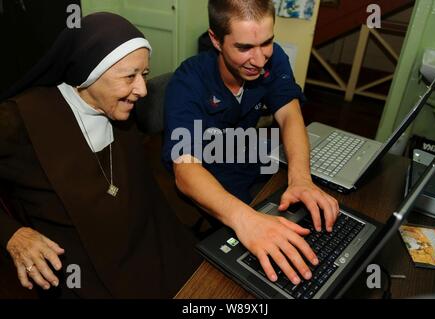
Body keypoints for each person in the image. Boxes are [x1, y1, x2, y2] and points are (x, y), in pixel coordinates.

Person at [0, 12, 200, 299]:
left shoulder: (124, 109)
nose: (142, 90)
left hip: (141, 243)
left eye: (144, 74)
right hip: (78, 268)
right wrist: (11, 234)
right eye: (129, 76)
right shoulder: (19, 119)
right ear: (87, 75)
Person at [162, 0, 339, 286]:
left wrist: (301, 179)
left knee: (318, 217)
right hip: (209, 175)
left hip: (248, 157)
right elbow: (185, 171)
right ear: (215, 40)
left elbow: (290, 115)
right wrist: (247, 221)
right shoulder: (188, 81)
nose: (259, 60)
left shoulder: (272, 57)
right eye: (244, 48)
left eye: (267, 42)